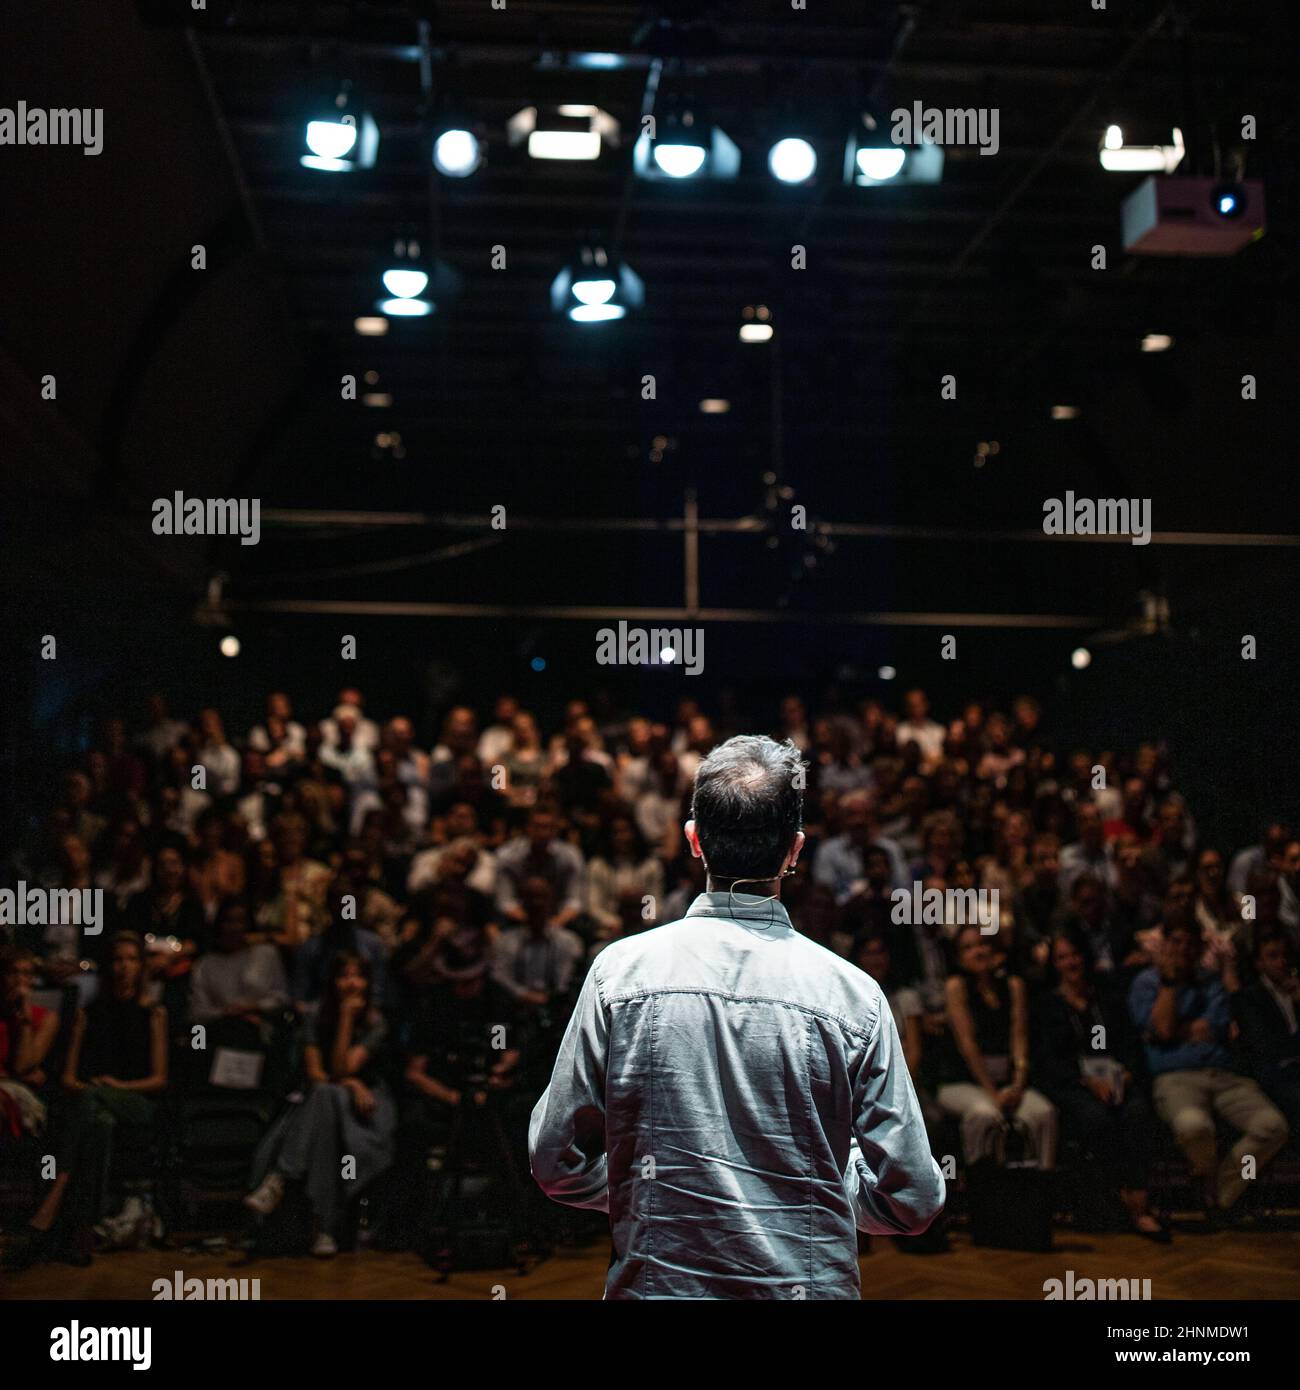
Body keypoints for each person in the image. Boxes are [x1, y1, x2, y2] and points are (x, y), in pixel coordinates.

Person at [529, 735, 944, 1300]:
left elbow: (554, 1161)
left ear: (693, 841)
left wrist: (650, 1186)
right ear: (795, 851)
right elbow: (915, 1199)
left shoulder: (619, 975)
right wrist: (817, 1187)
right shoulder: (854, 996)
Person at [1129, 922, 1287, 1219]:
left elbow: (1214, 1028)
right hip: (1175, 1077)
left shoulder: (1212, 982)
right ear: (1164, 946)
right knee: (1194, 1128)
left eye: (1190, 944)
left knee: (1272, 1126)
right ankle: (1214, 1191)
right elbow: (1162, 1030)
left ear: (1200, 949)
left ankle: (1218, 1190)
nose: (1183, 950)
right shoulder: (1146, 983)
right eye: (1176, 942)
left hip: (1223, 1074)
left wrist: (1176, 1032)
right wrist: (1170, 985)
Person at [245, 952, 396, 1257]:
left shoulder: (376, 1023)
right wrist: (347, 1083)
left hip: (367, 1109)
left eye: (358, 975)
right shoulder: (313, 1016)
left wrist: (347, 1019)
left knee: (328, 1099)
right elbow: (316, 1074)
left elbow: (344, 1068)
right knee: (327, 1104)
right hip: (322, 1103)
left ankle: (280, 1178)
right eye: (344, 975)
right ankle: (325, 1228)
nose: (351, 983)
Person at [1035, 929, 1167, 1240]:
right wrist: (1086, 1081)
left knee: (1137, 1113)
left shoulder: (1107, 998)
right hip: (1071, 1083)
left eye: (1075, 955)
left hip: (1115, 1079)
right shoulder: (1047, 1005)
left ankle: (1139, 1204)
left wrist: (1126, 1073)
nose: (1071, 963)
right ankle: (1106, 1201)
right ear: (1054, 964)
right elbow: (1048, 1060)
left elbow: (1129, 1044)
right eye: (1062, 957)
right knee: (1095, 1120)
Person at [937, 924, 1057, 1169]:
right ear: (959, 957)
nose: (978, 952)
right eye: (968, 948)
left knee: (1043, 1113)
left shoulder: (1013, 985)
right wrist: (994, 1094)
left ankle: (1044, 1187)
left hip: (1007, 1082)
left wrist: (1018, 1084)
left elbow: (1019, 1039)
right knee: (986, 1115)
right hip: (963, 1080)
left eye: (982, 944)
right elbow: (967, 1046)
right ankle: (982, 1189)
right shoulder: (956, 987)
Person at [1233, 931, 1300, 1135]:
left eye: (1284, 955)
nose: (1281, 962)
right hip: (1274, 1073)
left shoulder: (1297, 991)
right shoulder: (1248, 998)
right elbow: (1264, 1045)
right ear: (1259, 963)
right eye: (1272, 956)